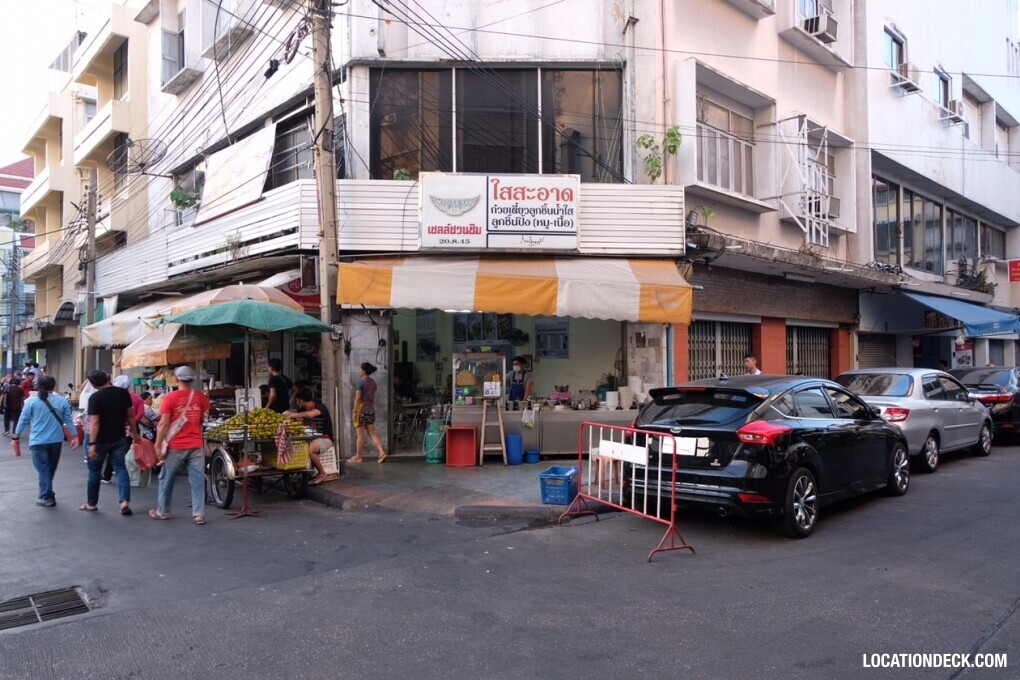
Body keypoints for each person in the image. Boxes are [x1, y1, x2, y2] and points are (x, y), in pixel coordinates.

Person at [150, 366, 211, 525]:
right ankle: (199, 514)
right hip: (196, 444)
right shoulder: (200, 397)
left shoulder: (169, 398)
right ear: (191, 380)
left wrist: (157, 446)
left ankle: (163, 511)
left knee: (166, 478)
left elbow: (163, 424)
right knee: (197, 479)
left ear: (176, 379)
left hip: (176, 445)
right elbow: (201, 420)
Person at [14, 376, 78, 507]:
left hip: (38, 441)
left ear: (38, 386)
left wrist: (16, 437)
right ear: (53, 386)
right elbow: (68, 420)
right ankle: (45, 492)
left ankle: (47, 496)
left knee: (43, 469)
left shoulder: (30, 402)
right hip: (56, 441)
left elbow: (23, 420)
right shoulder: (62, 401)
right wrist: (75, 436)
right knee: (49, 469)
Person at [84, 370, 139, 515]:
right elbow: (130, 416)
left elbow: (95, 421)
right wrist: (135, 434)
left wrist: (92, 443)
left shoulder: (95, 397)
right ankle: (124, 501)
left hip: (100, 440)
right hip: (119, 438)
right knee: (121, 469)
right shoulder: (123, 393)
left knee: (94, 472)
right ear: (108, 378)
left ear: (94, 385)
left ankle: (91, 503)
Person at [284, 387, 334, 485]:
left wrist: (292, 415)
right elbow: (291, 412)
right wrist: (287, 413)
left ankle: (322, 473)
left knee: (310, 450)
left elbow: (309, 415)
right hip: (310, 438)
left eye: (297, 401)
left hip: (325, 439)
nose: (297, 403)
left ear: (300, 401)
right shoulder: (302, 409)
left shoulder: (320, 407)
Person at [351, 362, 388, 464]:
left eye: (360, 369)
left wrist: (354, 411)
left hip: (361, 410)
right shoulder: (373, 383)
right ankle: (381, 452)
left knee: (360, 435)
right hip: (370, 409)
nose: (359, 371)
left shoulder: (360, 383)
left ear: (363, 371)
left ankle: (358, 457)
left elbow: (358, 398)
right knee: (372, 433)